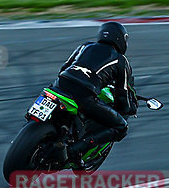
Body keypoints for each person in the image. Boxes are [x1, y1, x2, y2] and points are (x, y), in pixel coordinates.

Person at [51, 21, 137, 163]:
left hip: (60, 85)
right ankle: (73, 150)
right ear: (120, 39)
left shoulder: (84, 46)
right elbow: (122, 92)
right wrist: (126, 110)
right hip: (84, 95)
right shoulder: (121, 60)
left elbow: (64, 67)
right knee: (121, 127)